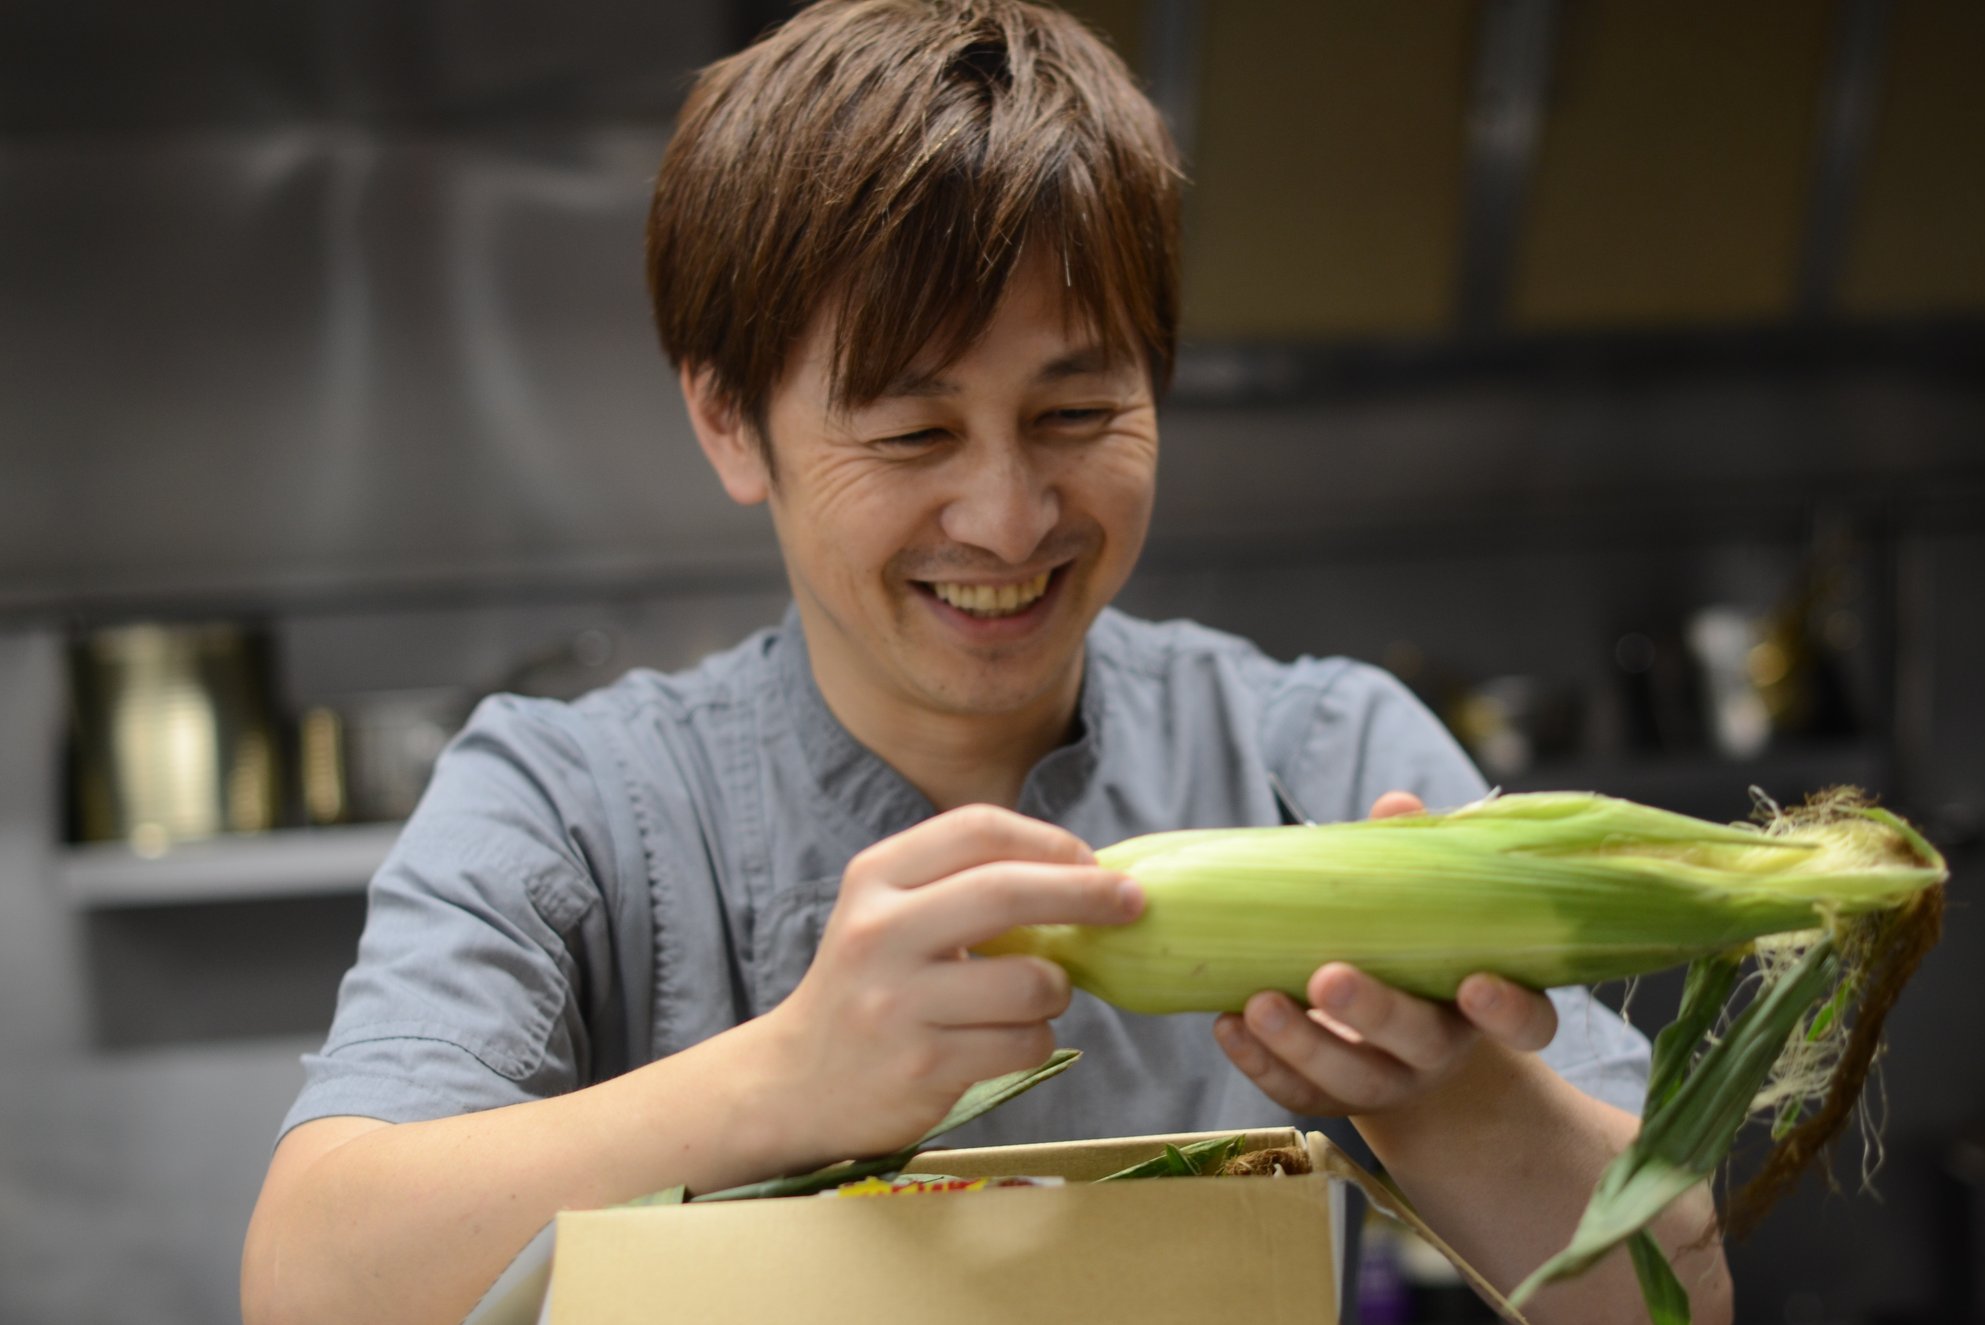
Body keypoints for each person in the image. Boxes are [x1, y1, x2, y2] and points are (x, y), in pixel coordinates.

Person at [242, 3, 1733, 1322]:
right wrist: (785, 1078)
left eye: (1080, 413)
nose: (1009, 515)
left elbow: (1673, 1296)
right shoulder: (574, 804)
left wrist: (1459, 1099)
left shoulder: (1321, 758)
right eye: (909, 434)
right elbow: (310, 1282)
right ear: (724, 419)